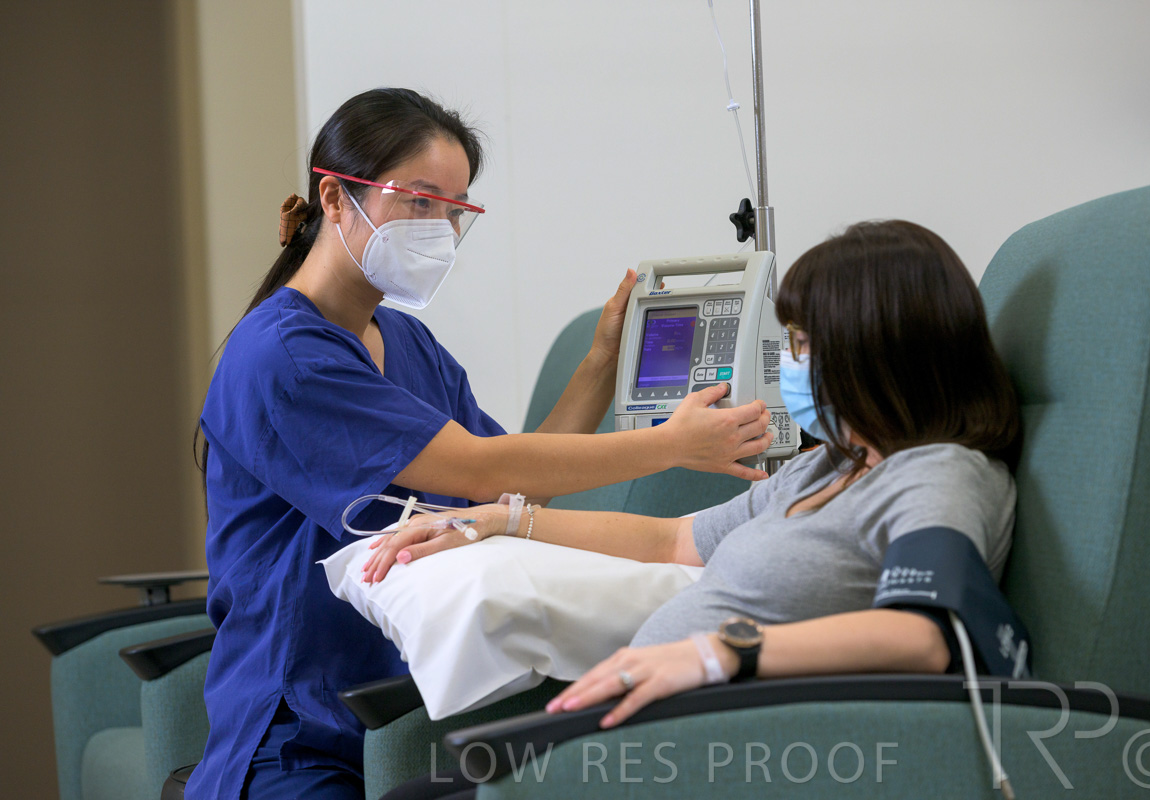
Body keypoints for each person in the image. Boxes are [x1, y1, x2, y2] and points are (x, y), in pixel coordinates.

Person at [190, 88, 772, 799]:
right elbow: (476, 468)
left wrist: (600, 361)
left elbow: (507, 488)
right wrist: (672, 446)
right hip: (295, 732)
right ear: (335, 197)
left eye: (454, 211)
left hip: (406, 714)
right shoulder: (283, 356)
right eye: (418, 201)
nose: (438, 229)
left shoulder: (405, 342)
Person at [373, 219, 1022, 799]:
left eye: (802, 344)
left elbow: (925, 638)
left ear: (877, 349)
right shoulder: (825, 467)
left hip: (742, 743)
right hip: (660, 730)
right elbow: (672, 541)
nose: (790, 364)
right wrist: (507, 520)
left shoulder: (937, 474)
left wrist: (720, 654)